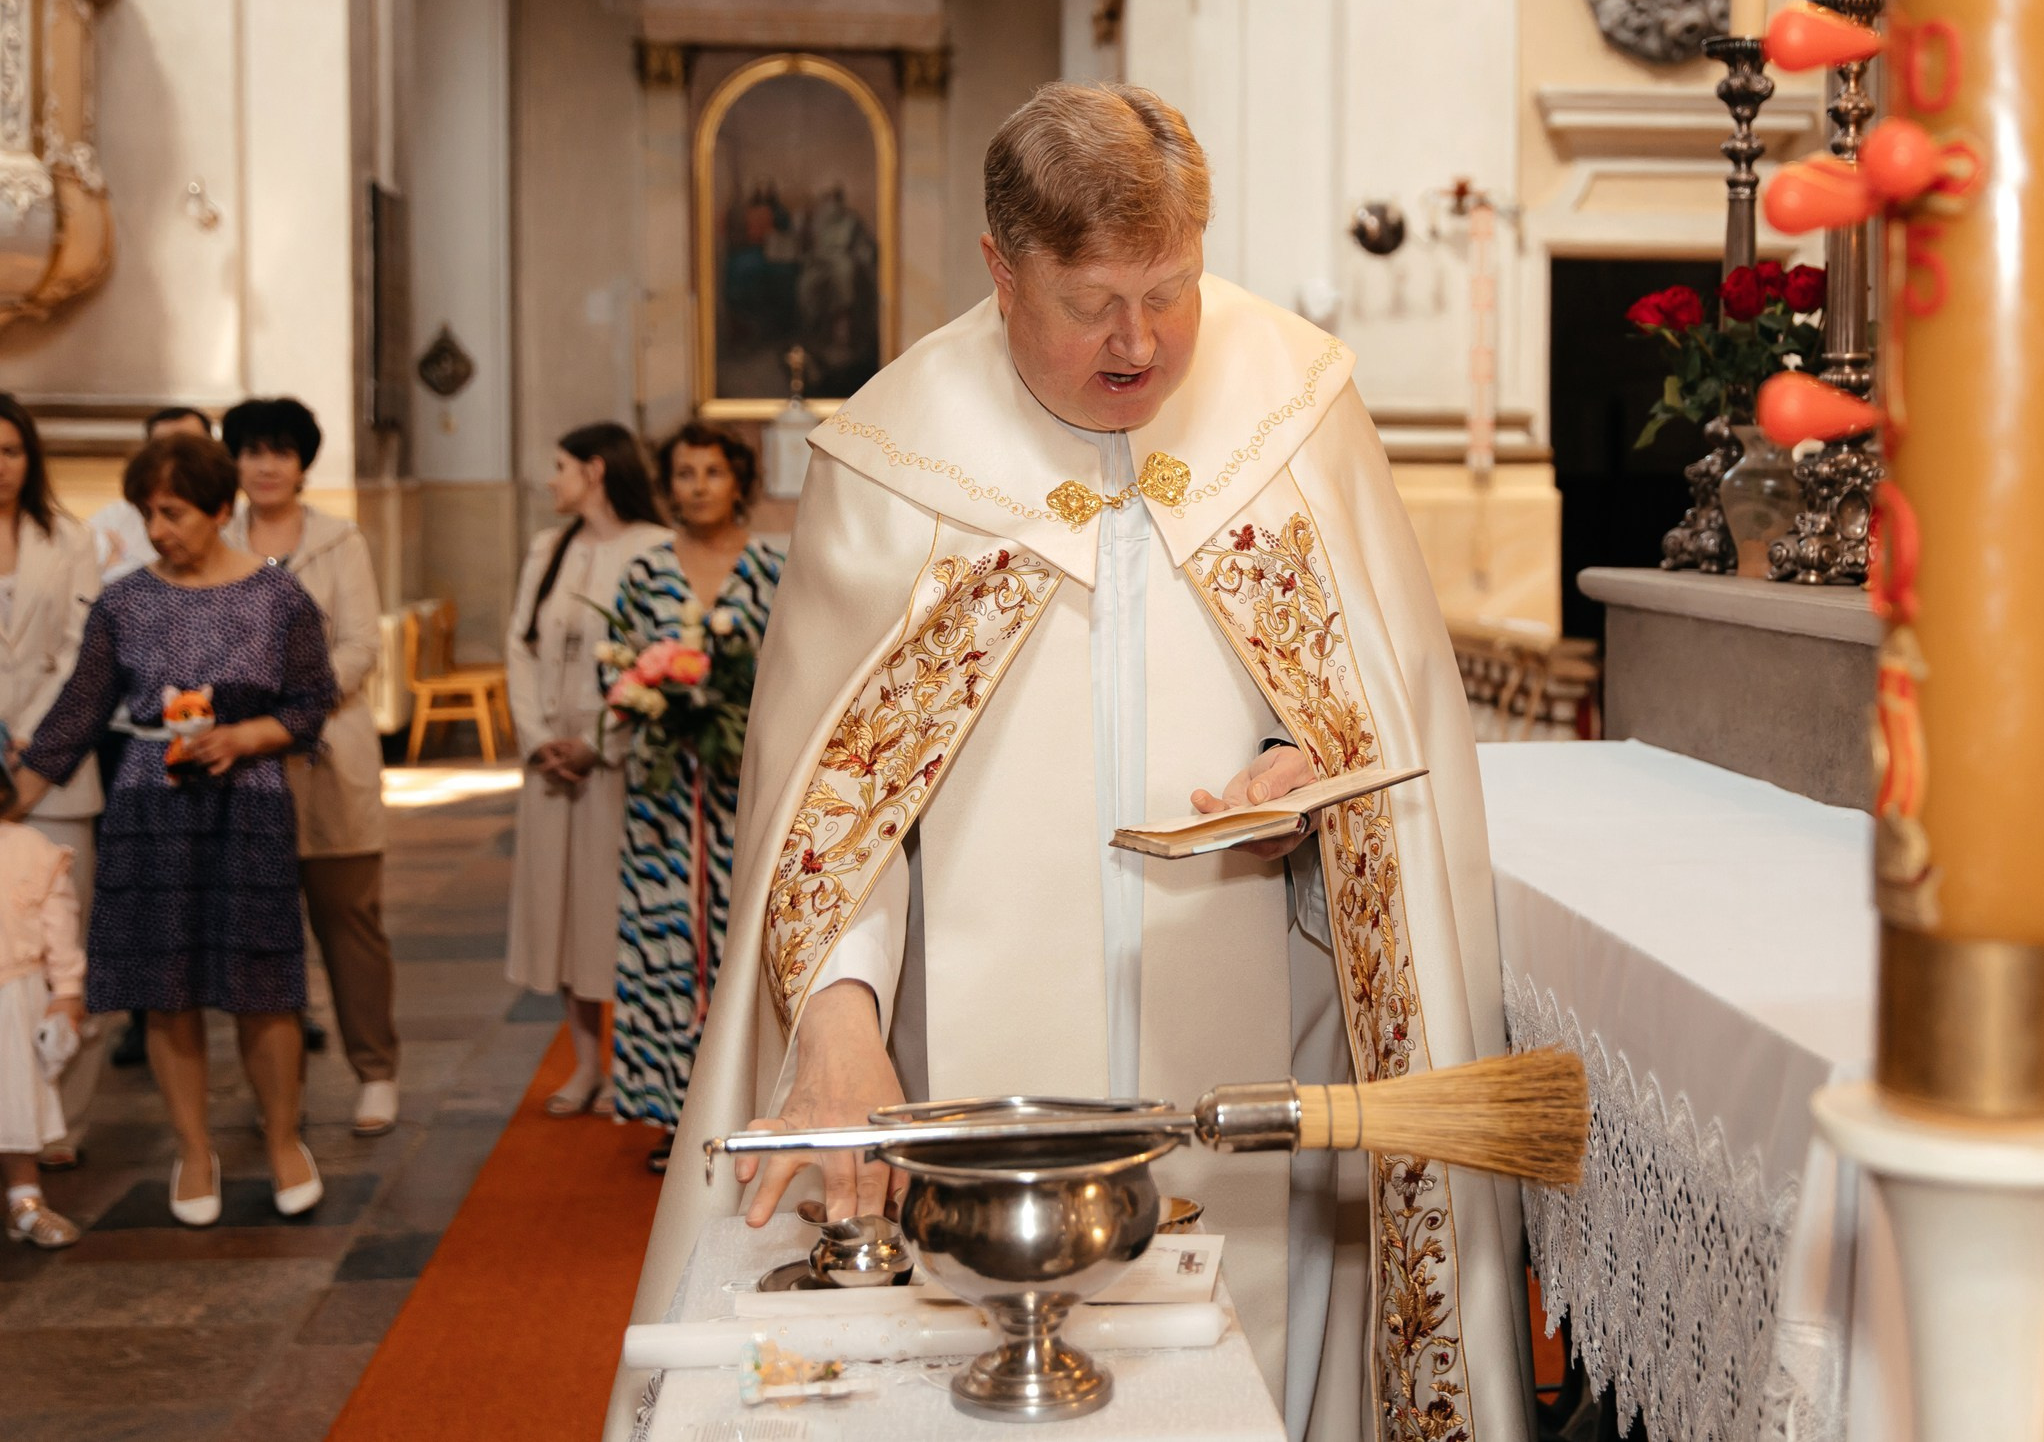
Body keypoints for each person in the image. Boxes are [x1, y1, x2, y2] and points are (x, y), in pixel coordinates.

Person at [614, 83, 1528, 1442]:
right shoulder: (898, 454)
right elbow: (835, 812)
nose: (1139, 340)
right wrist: (840, 1016)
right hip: (969, 1072)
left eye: (1171, 290)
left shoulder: (1294, 406)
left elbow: (1375, 704)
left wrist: (1299, 763)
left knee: (1250, 1374)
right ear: (1001, 269)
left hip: (1255, 1038)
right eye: (1092, 302)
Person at [8, 433, 338, 1226]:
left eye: (174, 512)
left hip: (248, 803)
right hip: (150, 805)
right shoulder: (124, 602)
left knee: (263, 983)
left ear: (221, 509)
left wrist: (246, 735)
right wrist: (11, 800)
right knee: (166, 989)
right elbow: (77, 714)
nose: (157, 530)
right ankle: (193, 1151)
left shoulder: (278, 596)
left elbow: (310, 702)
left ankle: (284, 1140)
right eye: (147, 513)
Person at [609, 423, 785, 1171]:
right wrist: (654, 697)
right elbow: (617, 665)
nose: (699, 486)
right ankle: (673, 1113)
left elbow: (796, 664)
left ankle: (752, 1105)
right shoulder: (645, 571)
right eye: (685, 473)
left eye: (713, 471)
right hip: (666, 793)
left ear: (738, 480)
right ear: (669, 486)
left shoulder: (774, 567)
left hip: (748, 786)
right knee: (667, 940)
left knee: (746, 935)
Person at [222, 397, 399, 1136]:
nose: (266, 466)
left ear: (302, 464)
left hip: (329, 750)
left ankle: (376, 1072)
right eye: (252, 451)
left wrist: (293, 702)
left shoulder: (337, 540)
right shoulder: (219, 538)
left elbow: (360, 643)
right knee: (260, 931)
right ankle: (277, 1088)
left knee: (348, 921)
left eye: (281, 452)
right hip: (242, 763)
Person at [505, 423, 669, 1117]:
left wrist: (600, 742)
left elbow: (657, 659)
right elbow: (519, 646)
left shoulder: (653, 548)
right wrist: (539, 738)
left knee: (611, 908)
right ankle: (584, 1063)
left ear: (596, 470)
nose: (551, 479)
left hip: (613, 762)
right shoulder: (549, 548)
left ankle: (628, 1064)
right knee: (560, 910)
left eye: (560, 465)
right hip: (551, 762)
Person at [0, 395, 106, 1172]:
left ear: (31, 458)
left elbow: (83, 653)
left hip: (56, 763)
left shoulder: (70, 539)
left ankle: (59, 1116)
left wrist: (31, 755)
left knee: (63, 943)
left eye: (9, 450)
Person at [95, 408, 214, 1071]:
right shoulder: (106, 533)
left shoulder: (239, 543)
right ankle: (148, 1014)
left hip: (224, 747)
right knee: (148, 891)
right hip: (135, 737)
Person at [0, 818, 83, 1246]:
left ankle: (24, 1199)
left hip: (13, 992)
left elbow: (60, 923)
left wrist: (66, 990)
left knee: (16, 1101)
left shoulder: (28, 847)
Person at [92, 407, 213, 586]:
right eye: (163, 448)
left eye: (188, 450)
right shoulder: (112, 521)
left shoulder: (236, 515)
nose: (176, 462)